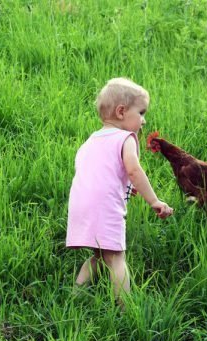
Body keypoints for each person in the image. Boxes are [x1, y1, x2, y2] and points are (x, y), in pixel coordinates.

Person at [66, 77, 173, 307]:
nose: (143, 121)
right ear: (122, 111)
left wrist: (125, 188)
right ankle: (125, 308)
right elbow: (133, 170)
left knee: (98, 257)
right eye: (141, 113)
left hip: (80, 205)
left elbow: (101, 173)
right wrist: (153, 200)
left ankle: (75, 296)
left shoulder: (91, 140)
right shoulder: (126, 138)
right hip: (105, 208)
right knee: (116, 258)